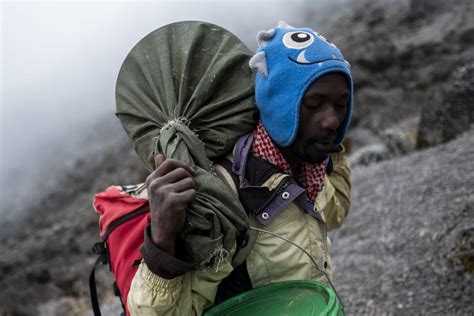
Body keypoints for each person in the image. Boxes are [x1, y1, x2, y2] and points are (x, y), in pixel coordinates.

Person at [127, 21, 352, 315]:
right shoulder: (227, 196)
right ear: (278, 105)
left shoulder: (311, 167)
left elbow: (334, 211)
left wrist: (331, 153)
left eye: (341, 104)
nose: (332, 121)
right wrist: (163, 240)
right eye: (314, 103)